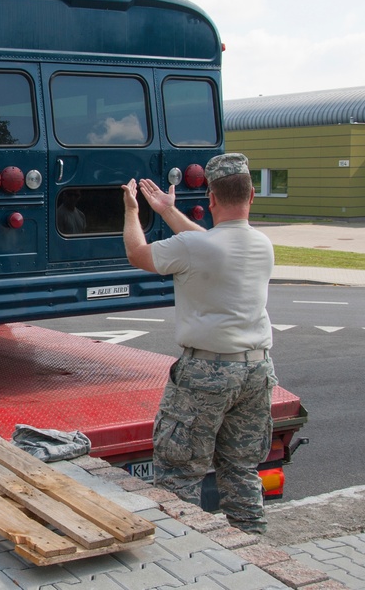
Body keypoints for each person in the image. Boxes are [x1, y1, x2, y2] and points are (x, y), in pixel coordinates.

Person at [121, 153, 277, 535]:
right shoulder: (262, 245)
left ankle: (183, 556)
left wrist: (132, 211)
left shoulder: (196, 246)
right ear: (252, 196)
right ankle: (254, 551)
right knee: (240, 469)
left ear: (210, 199)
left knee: (179, 473)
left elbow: (137, 254)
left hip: (207, 373)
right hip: (256, 370)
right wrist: (169, 211)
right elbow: (208, 243)